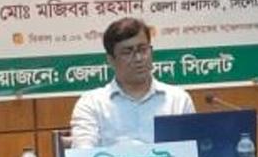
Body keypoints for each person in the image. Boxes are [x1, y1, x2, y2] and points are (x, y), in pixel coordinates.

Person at [70, 17, 194, 146]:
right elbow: (84, 153)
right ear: (110, 60)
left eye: (143, 49)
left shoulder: (178, 100)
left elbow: (193, 151)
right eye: (127, 52)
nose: (138, 58)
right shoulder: (92, 104)